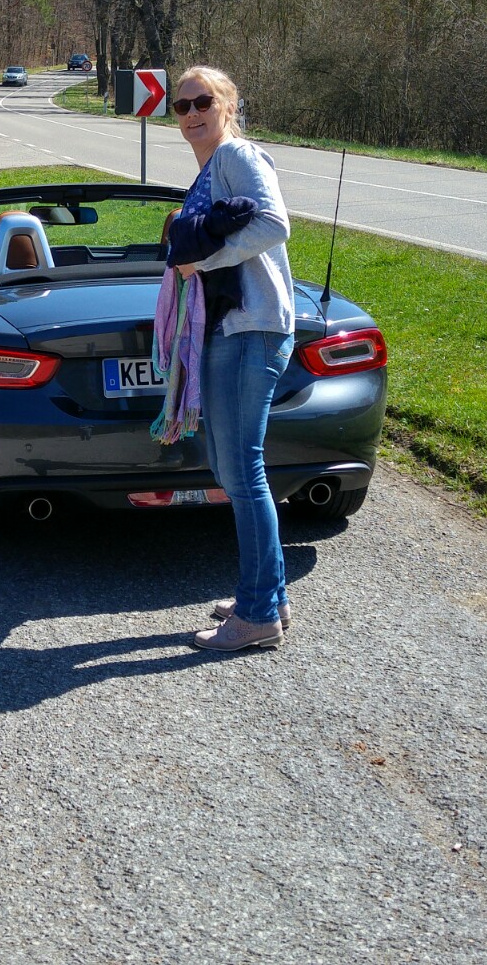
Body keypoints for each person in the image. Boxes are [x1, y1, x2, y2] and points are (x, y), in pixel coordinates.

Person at [166, 65, 295, 652]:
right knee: (227, 467)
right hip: (227, 328)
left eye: (204, 102)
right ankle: (268, 594)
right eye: (182, 105)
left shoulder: (237, 155)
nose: (192, 113)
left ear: (228, 106)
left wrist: (202, 261)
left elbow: (273, 224)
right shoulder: (208, 169)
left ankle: (258, 615)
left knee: (242, 472)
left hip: (253, 328)